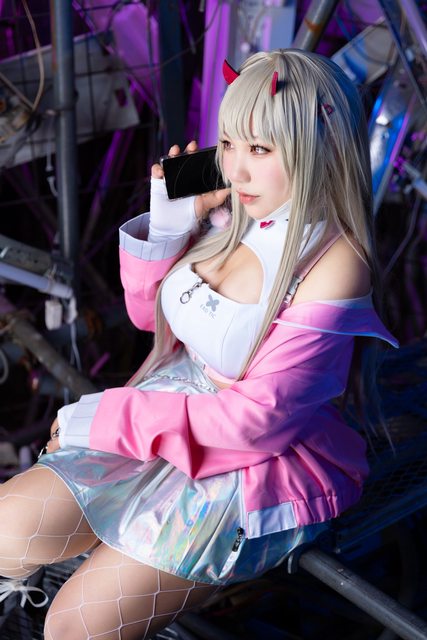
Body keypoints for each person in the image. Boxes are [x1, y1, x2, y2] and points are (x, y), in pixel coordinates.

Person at [0, 49, 397, 640]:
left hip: (251, 461)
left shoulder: (335, 261)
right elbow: (149, 318)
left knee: (77, 627)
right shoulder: (234, 210)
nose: (235, 169)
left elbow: (256, 422)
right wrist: (171, 221)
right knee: (5, 535)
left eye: (260, 149)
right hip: (167, 406)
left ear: (319, 148)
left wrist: (102, 420)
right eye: (229, 144)